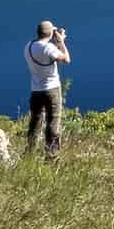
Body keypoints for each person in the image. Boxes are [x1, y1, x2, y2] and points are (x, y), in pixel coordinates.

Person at [24, 19, 71, 157]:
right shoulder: (48, 48)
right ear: (51, 33)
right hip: (52, 90)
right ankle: (52, 155)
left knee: (35, 121)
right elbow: (66, 59)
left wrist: (55, 43)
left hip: (36, 90)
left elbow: (47, 56)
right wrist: (61, 41)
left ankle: (30, 152)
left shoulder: (29, 46)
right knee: (53, 122)